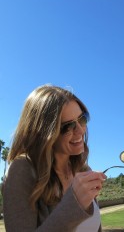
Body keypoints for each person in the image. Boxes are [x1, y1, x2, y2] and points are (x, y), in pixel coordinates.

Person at [3, 84, 106, 231]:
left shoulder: (83, 169)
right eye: (67, 126)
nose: (80, 130)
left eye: (82, 119)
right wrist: (74, 206)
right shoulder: (22, 170)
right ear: (44, 134)